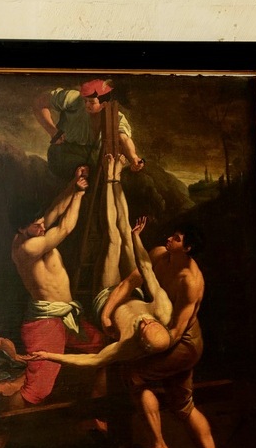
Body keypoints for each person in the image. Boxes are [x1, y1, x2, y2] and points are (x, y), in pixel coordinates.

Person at [0, 165, 105, 448]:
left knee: (102, 350)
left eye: (39, 220)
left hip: (65, 317)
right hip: (45, 324)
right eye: (35, 222)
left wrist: (73, 183)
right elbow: (64, 229)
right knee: (36, 391)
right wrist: (80, 194)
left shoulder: (33, 229)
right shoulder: (27, 247)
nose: (41, 223)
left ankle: (94, 414)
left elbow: (52, 211)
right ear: (20, 229)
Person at [101, 220, 227, 448]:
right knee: (183, 406)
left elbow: (176, 332)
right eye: (172, 235)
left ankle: (159, 446)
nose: (169, 239)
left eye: (177, 239)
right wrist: (106, 313)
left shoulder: (190, 281)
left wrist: (141, 343)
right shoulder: (159, 255)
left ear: (188, 248)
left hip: (184, 344)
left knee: (134, 375)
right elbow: (128, 283)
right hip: (163, 333)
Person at [30, 154, 173, 368]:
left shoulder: (127, 345)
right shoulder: (164, 310)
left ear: (142, 343)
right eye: (150, 321)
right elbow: (145, 268)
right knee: (126, 232)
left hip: (106, 296)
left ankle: (108, 178)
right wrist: (136, 239)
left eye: (143, 328)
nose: (144, 320)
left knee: (114, 238)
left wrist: (49, 355)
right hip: (132, 290)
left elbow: (93, 360)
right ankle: (116, 177)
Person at [33, 79, 145, 180]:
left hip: (94, 158)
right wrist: (52, 131)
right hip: (64, 152)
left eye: (91, 102)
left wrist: (133, 157)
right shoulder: (73, 99)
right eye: (85, 100)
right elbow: (39, 103)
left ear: (104, 104)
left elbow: (124, 138)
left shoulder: (114, 116)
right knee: (83, 177)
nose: (86, 104)